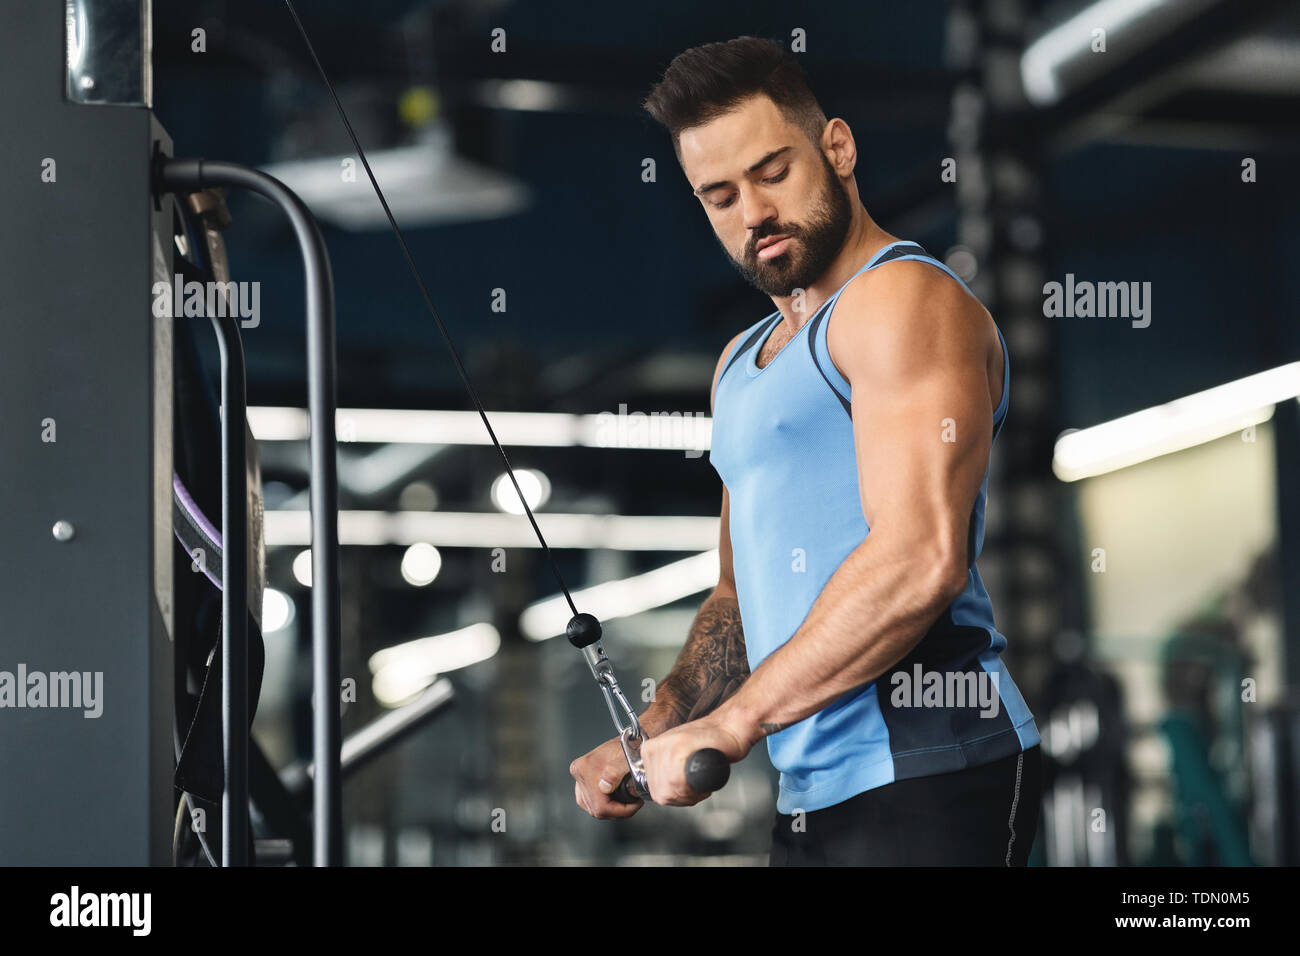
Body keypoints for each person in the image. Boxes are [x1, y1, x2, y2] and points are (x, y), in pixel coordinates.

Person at [571, 35, 1041, 865]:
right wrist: (653, 734)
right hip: (809, 794)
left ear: (838, 147)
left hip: (930, 772)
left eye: (771, 173)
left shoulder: (902, 299)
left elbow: (920, 559)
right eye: (719, 196)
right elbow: (737, 599)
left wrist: (737, 721)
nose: (752, 213)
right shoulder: (739, 363)